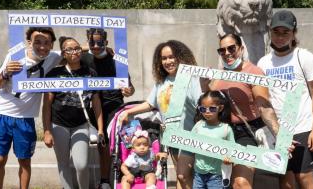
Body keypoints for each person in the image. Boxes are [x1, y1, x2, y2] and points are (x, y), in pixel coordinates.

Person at [0, 27, 61, 189]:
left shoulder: (52, 57)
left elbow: (72, 49)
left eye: (46, 43)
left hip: (25, 118)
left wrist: (99, 48)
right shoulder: (15, 57)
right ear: (29, 42)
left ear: (52, 45)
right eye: (38, 42)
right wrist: (5, 73)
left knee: (25, 160)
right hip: (1, 114)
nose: (42, 46)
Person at [120, 40, 202, 189]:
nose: (168, 61)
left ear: (180, 57)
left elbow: (201, 104)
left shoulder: (192, 78)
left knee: (183, 175)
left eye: (171, 57)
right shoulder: (161, 82)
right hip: (171, 136)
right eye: (164, 58)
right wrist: (128, 111)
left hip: (189, 134)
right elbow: (150, 104)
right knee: (181, 176)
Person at [257, 10, 313, 189]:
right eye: (276, 32)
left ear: (294, 33)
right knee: (285, 181)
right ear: (270, 32)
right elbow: (263, 99)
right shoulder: (263, 63)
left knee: (304, 177)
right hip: (278, 131)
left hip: (303, 127)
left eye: (285, 32)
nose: (280, 37)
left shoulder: (305, 57)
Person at [207, 33, 280, 189]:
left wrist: (280, 136)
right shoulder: (219, 74)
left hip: (246, 132)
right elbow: (208, 103)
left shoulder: (254, 72)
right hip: (221, 132)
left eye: (231, 48)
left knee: (240, 182)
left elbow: (264, 106)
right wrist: (203, 84)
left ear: (240, 48)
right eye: (222, 50)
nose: (226, 53)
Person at [42, 36, 104, 189]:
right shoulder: (54, 74)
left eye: (77, 48)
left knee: (81, 165)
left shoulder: (90, 73)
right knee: (63, 163)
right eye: (69, 49)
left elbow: (96, 103)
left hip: (81, 125)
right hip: (59, 125)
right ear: (63, 53)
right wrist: (47, 130)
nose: (74, 51)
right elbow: (46, 105)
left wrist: (101, 129)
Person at [80, 28, 135, 189]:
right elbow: (63, 54)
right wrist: (87, 47)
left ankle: (115, 179)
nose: (96, 46)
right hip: (90, 107)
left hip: (114, 106)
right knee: (100, 143)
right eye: (92, 42)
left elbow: (130, 88)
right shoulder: (83, 58)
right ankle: (103, 180)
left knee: (115, 143)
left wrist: (129, 90)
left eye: (100, 42)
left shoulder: (117, 60)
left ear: (107, 42)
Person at [192, 90, 234, 189]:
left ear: (220, 108)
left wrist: (229, 159)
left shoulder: (226, 129)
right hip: (198, 173)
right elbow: (188, 142)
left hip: (217, 175)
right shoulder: (198, 126)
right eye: (203, 109)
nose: (207, 112)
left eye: (212, 109)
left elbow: (232, 150)